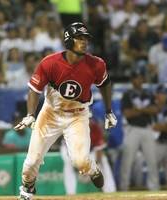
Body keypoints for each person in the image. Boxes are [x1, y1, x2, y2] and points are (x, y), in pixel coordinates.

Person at [14, 22, 117, 200]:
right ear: (69, 40)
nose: (84, 42)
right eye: (80, 38)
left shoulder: (96, 64)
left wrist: (109, 111)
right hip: (51, 113)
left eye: (86, 39)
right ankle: (28, 188)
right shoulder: (50, 62)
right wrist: (30, 115)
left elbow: (105, 84)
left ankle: (92, 169)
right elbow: (34, 90)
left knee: (80, 161)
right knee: (31, 162)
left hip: (78, 115)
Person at [119, 70, 160, 191]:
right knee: (128, 161)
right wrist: (145, 110)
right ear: (132, 80)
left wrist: (139, 110)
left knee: (152, 160)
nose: (138, 80)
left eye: (140, 77)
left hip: (147, 129)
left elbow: (155, 110)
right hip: (133, 129)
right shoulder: (127, 94)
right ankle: (124, 188)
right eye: (136, 78)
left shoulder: (148, 93)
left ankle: (155, 188)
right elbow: (127, 114)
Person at [61, 114, 116, 194]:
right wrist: (80, 167)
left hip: (89, 153)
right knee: (68, 163)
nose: (87, 121)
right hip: (71, 153)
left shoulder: (95, 127)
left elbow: (99, 149)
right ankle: (70, 193)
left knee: (103, 160)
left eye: (89, 119)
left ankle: (110, 190)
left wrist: (94, 167)